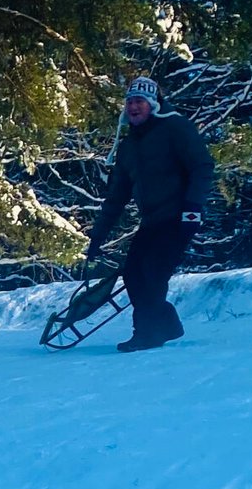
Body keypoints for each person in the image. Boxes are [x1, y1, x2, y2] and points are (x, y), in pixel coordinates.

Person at [86, 75, 215, 353]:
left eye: (140, 102)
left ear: (153, 104)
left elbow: (202, 166)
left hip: (179, 216)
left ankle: (147, 332)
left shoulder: (175, 127)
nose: (134, 107)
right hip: (152, 220)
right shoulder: (129, 146)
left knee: (153, 272)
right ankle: (166, 324)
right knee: (133, 273)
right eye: (130, 102)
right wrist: (97, 236)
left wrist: (193, 207)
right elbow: (117, 195)